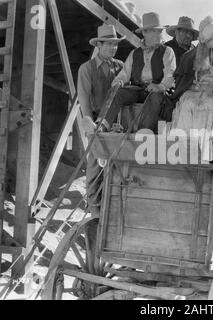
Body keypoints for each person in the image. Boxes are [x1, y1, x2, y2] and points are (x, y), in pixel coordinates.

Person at [98, 12, 176, 133]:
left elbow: (170, 74)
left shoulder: (167, 51)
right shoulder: (134, 53)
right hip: (137, 89)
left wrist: (160, 86)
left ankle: (143, 131)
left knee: (155, 97)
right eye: (154, 31)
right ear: (145, 33)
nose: (158, 34)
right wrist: (118, 82)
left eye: (159, 31)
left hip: (157, 91)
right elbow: (125, 73)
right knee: (117, 92)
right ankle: (101, 125)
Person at [169, 16, 213, 162]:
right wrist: (199, 86)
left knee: (207, 107)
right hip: (193, 92)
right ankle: (181, 149)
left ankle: (203, 153)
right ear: (208, 36)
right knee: (188, 104)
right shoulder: (189, 56)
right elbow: (183, 83)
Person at [77, 24, 125, 215]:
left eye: (115, 44)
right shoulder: (87, 69)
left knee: (116, 163)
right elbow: (83, 98)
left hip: (116, 123)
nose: (113, 48)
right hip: (96, 121)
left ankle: (111, 206)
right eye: (109, 44)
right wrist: (90, 124)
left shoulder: (120, 66)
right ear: (99, 45)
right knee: (95, 162)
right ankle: (93, 205)